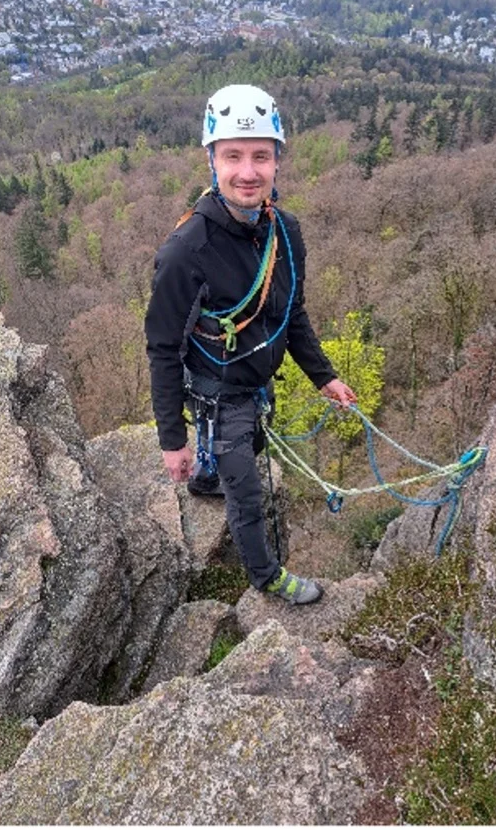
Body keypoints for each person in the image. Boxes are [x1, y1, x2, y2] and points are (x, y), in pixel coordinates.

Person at [145, 84, 357, 606]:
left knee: (245, 456)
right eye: (233, 155)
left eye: (260, 156)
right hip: (219, 396)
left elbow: (292, 314)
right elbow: (163, 348)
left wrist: (324, 376)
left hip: (259, 384)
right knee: (249, 497)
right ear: (211, 160)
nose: (247, 171)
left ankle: (208, 476)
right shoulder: (185, 252)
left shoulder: (285, 232)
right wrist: (173, 440)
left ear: (277, 162)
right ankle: (267, 577)